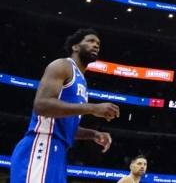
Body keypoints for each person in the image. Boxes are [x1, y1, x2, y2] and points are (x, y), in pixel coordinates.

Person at [10, 28, 120, 183]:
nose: (96, 45)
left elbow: (65, 125)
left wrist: (93, 134)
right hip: (42, 144)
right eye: (90, 41)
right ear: (75, 47)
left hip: (58, 151)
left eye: (98, 43)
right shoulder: (62, 66)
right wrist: (93, 108)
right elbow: (41, 106)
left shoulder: (82, 82)